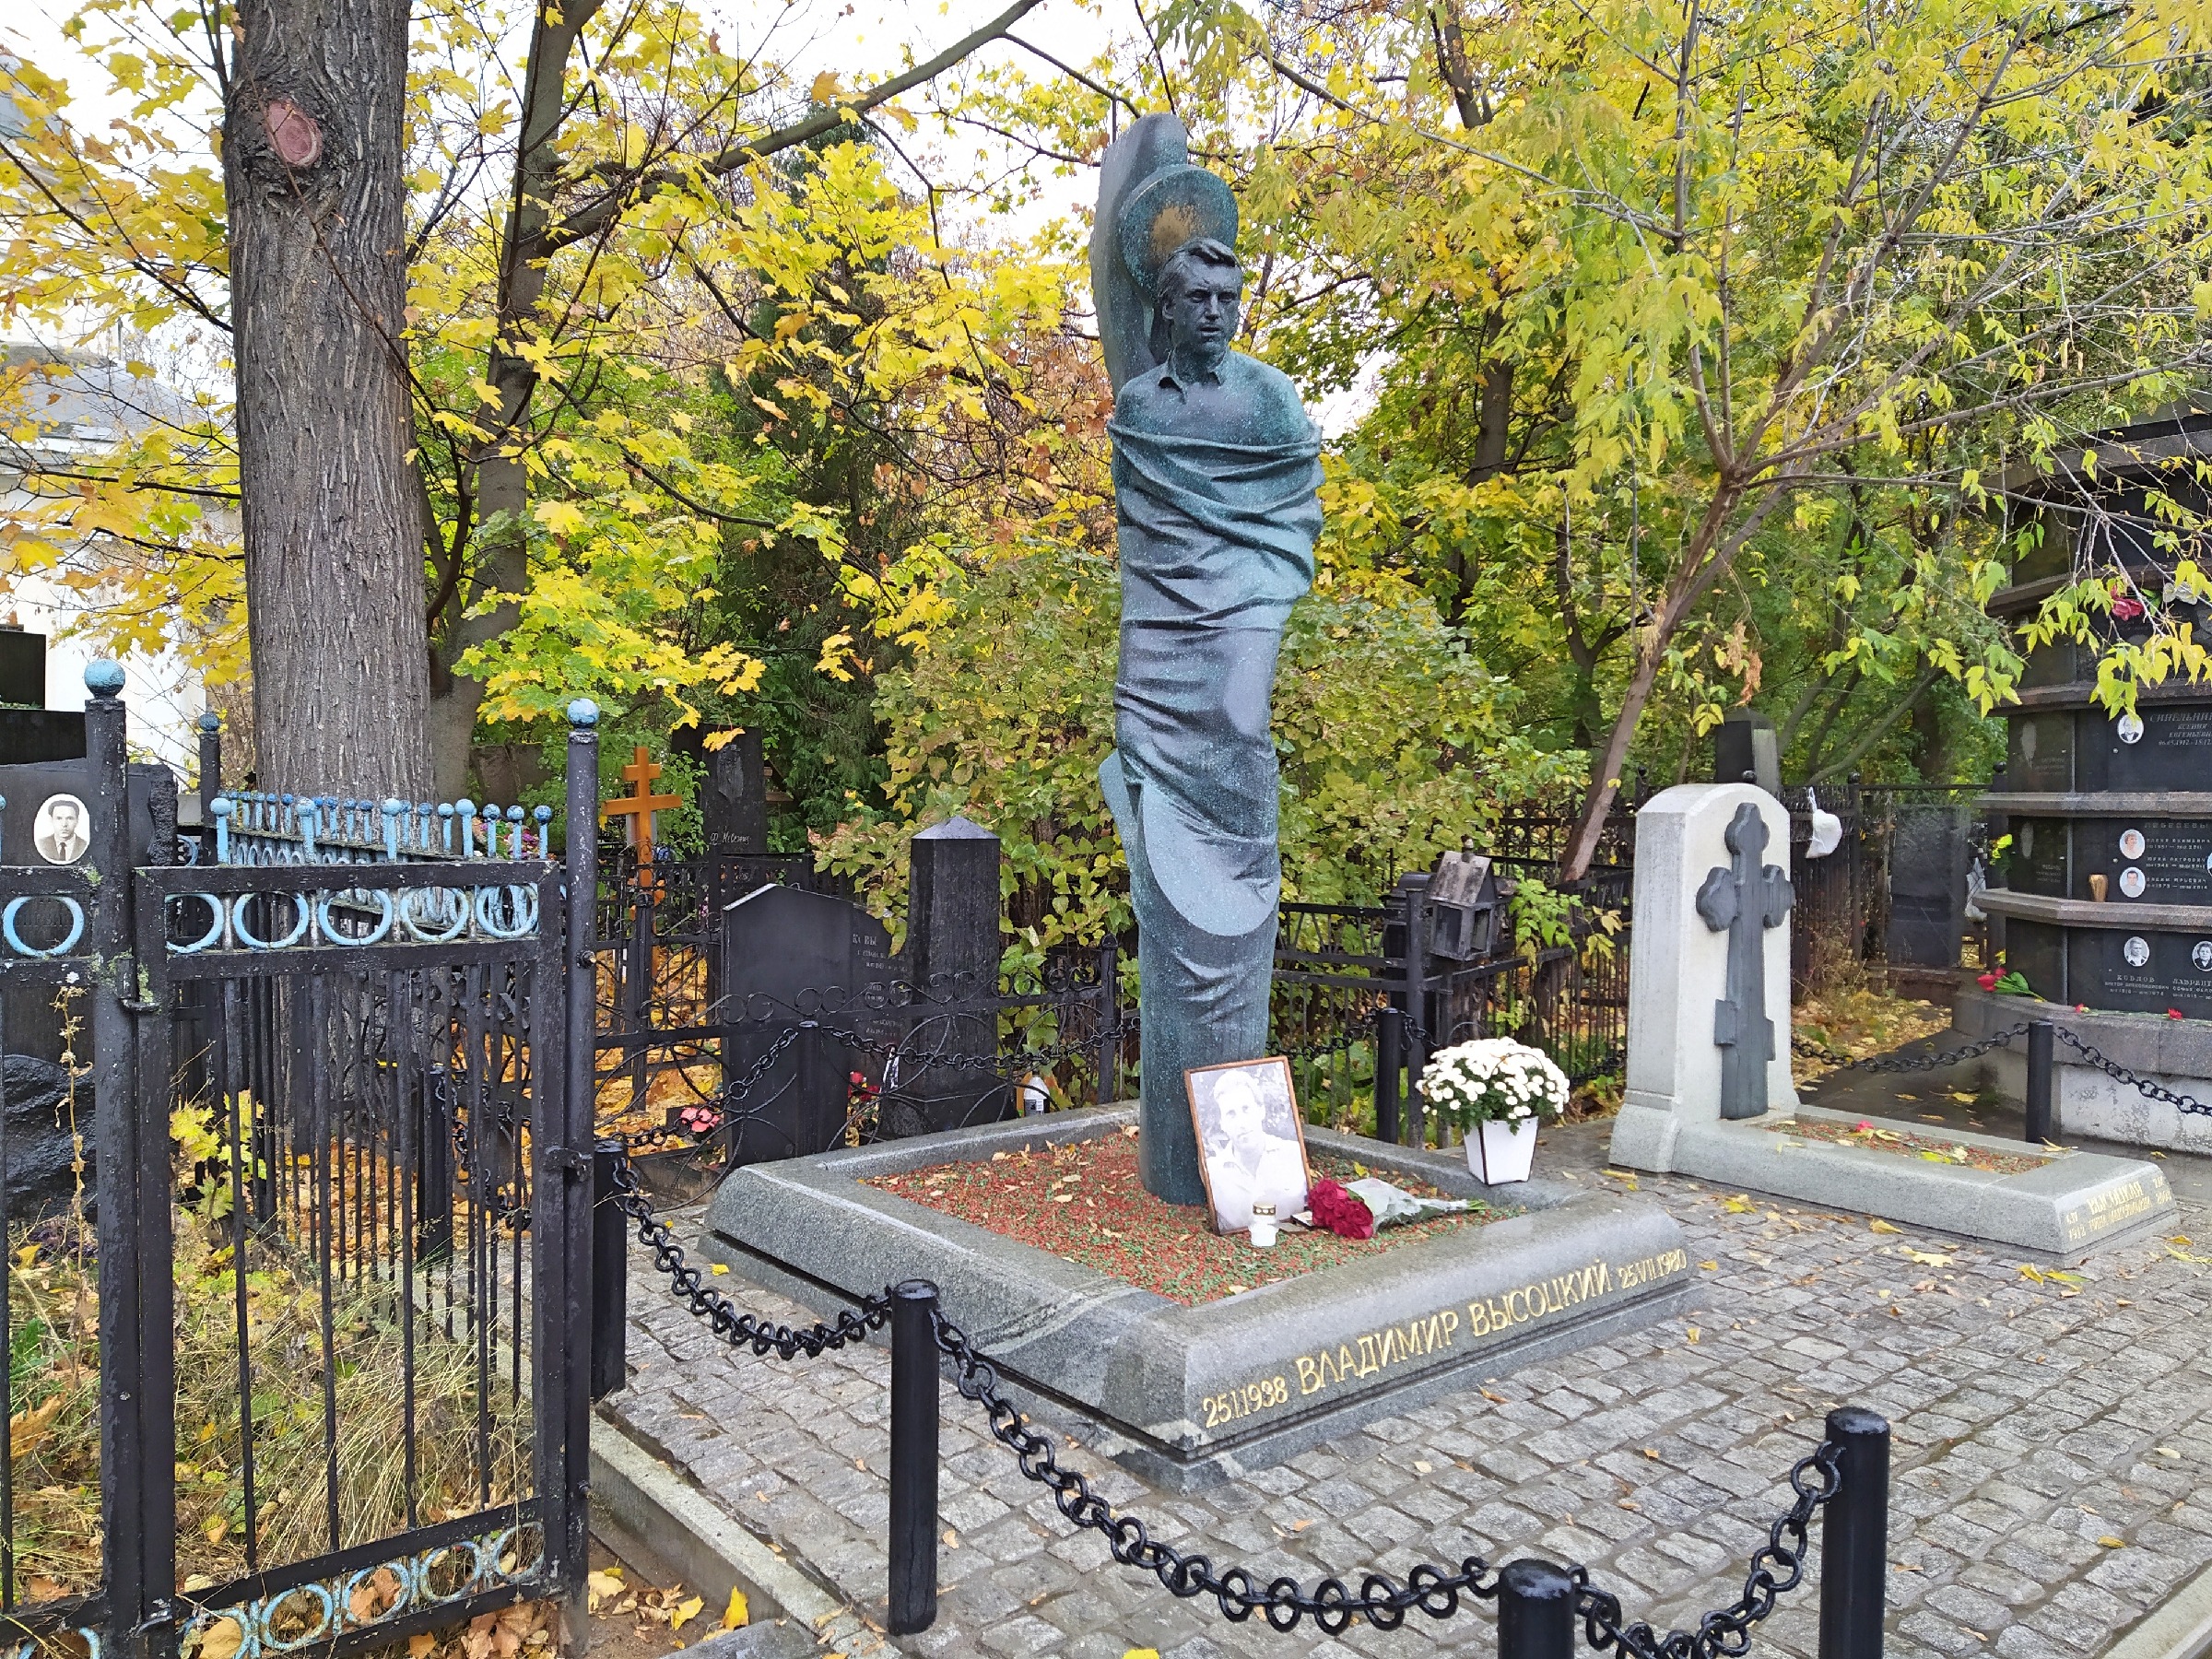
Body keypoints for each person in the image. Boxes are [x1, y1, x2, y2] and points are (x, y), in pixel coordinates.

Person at [1093, 124, 1323, 1206]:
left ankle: (1230, 868)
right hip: (1160, 622)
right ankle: (1190, 1163)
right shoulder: (1142, 406)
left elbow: (1293, 507)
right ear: (1168, 310)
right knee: (1166, 765)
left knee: (1244, 716)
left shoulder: (1271, 399)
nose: (1217, 317)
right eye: (1196, 302)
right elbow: (1149, 514)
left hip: (1242, 604)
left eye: (1230, 302)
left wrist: (1259, 586)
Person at [1199, 1067, 1310, 1234]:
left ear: (1261, 1110)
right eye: (1231, 1114)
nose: (1242, 1122)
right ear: (1222, 1124)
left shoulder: (1294, 1154)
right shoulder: (1214, 1171)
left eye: (1246, 1109)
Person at [34, 795, 88, 865]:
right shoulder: (42, 844)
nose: (64, 824)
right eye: (59, 818)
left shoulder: (84, 845)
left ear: (77, 821)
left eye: (70, 818)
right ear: (51, 820)